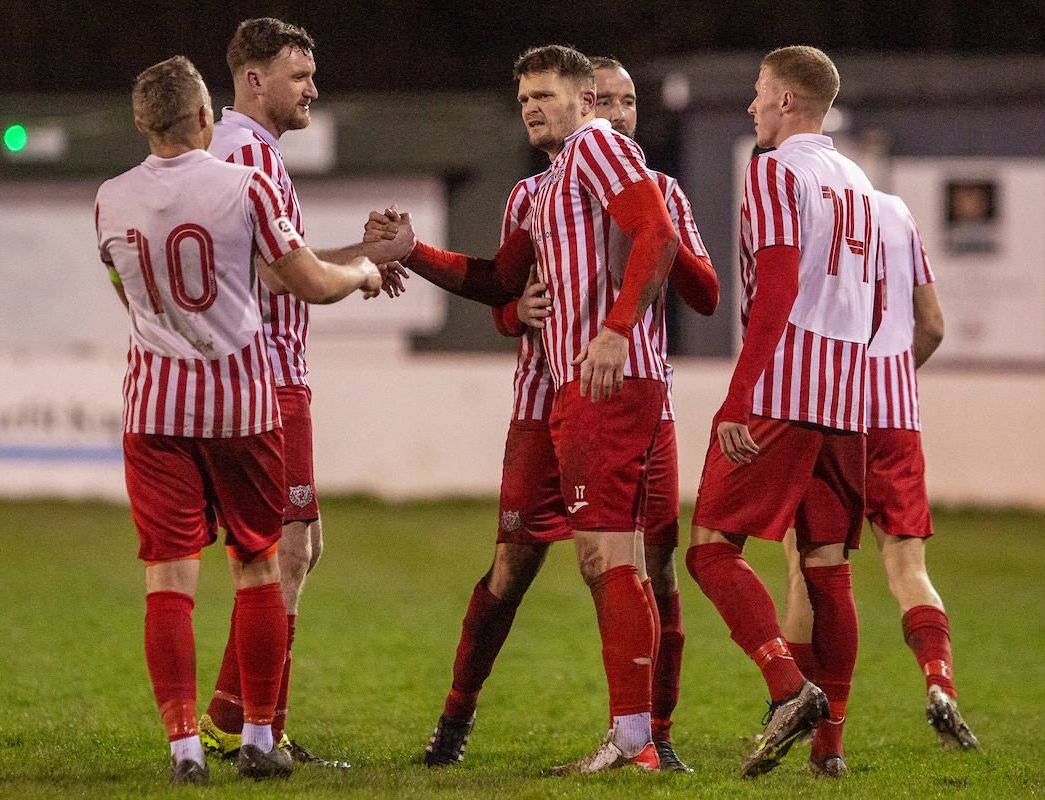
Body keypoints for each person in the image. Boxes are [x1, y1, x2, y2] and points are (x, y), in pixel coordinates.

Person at [368, 45, 684, 774]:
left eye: (545, 93)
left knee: (625, 560)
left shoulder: (601, 150)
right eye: (523, 98)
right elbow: (502, 281)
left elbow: (660, 240)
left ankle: (643, 735)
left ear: (585, 99)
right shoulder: (539, 190)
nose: (533, 106)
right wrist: (415, 251)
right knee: (523, 570)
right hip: (550, 399)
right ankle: (461, 718)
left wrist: (614, 328)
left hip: (606, 381)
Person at [94, 55, 383, 785]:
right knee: (257, 566)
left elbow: (125, 295)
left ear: (140, 123)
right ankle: (257, 735)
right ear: (201, 118)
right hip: (240, 402)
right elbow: (308, 281)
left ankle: (185, 747)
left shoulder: (109, 200)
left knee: (168, 579)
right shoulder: (243, 184)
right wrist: (365, 271)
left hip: (155, 404)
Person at [197, 17, 412, 767]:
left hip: (270, 375)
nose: (313, 88)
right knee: (285, 552)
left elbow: (283, 259)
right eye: (299, 75)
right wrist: (361, 269)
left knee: (300, 547)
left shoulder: (240, 149)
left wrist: (363, 253)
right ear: (254, 80)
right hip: (265, 379)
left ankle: (234, 715)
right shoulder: (247, 154)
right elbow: (284, 274)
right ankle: (259, 728)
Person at [685, 45, 884, 780]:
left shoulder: (775, 169)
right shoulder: (857, 180)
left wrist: (738, 399)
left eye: (760, 94)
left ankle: (786, 690)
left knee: (709, 547)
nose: (752, 107)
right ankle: (829, 749)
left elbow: (775, 289)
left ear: (789, 103)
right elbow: (877, 298)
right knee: (828, 569)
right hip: (847, 393)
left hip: (785, 389)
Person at [778, 191, 980, 752]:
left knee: (807, 568)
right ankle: (940, 685)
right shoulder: (897, 212)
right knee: (907, 568)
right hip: (896, 417)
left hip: (830, 410)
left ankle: (802, 716)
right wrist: (895, 376)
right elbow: (933, 325)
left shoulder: (806, 207)